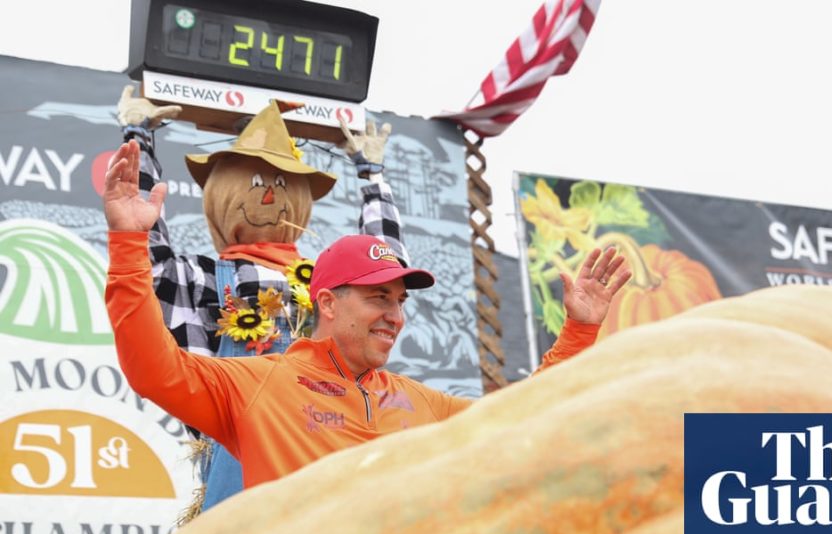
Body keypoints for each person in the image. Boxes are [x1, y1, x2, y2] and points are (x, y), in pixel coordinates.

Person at [103, 139, 632, 489]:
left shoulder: (417, 401)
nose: (395, 315)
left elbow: (521, 416)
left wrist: (579, 329)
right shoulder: (258, 385)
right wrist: (130, 241)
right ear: (327, 303)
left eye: (401, 301)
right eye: (379, 298)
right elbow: (154, 368)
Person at [116, 88, 409, 509]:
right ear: (223, 197)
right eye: (255, 184)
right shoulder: (200, 278)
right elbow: (145, 251)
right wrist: (138, 137)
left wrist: (372, 176)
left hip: (331, 456)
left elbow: (386, 274)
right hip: (244, 471)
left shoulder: (322, 281)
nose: (269, 198)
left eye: (280, 184)